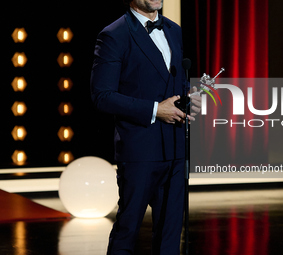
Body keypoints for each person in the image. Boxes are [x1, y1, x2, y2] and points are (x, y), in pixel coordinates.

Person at [90, 0, 198, 254]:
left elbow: (174, 82)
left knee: (170, 233)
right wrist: (154, 110)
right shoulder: (113, 34)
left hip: (175, 148)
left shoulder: (174, 29)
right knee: (128, 230)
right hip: (140, 151)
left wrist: (189, 100)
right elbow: (102, 95)